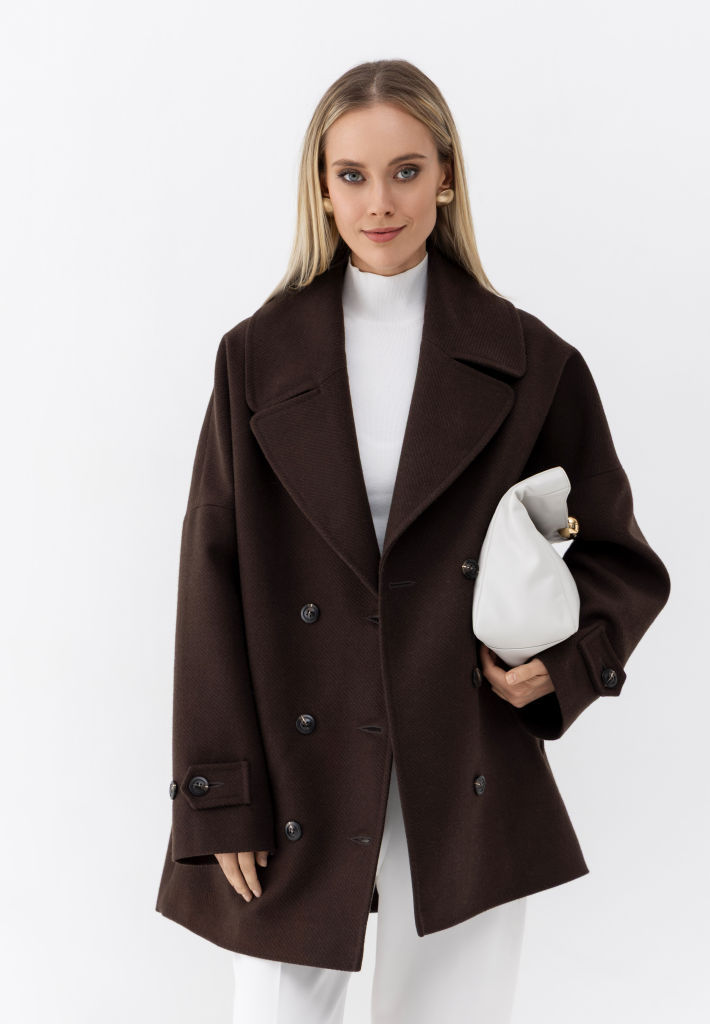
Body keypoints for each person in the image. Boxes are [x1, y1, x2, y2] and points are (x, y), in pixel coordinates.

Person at [155, 60, 671, 1023]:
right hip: (294, 761)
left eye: (405, 171)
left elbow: (623, 560)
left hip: (463, 752)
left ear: (446, 178)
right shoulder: (255, 358)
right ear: (321, 187)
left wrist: (563, 667)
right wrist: (218, 794)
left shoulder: (530, 359)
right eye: (351, 174)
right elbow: (210, 578)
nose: (378, 202)